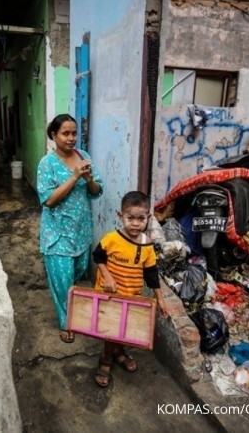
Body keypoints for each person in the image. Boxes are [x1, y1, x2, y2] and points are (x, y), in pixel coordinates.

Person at [37, 114, 103, 344]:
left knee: (77, 274)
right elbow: (48, 200)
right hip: (57, 234)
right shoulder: (47, 164)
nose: (71, 138)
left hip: (81, 232)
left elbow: (95, 191)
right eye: (66, 133)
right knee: (62, 281)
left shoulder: (83, 156)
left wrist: (89, 179)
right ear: (54, 135)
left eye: (74, 133)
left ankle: (72, 308)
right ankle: (67, 322)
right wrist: (75, 177)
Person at [92, 190, 168, 387]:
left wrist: (160, 299)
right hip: (109, 295)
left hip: (131, 295)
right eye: (130, 218)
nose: (135, 223)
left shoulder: (147, 245)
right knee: (111, 329)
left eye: (140, 218)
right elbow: (98, 256)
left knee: (124, 328)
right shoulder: (112, 239)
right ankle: (106, 360)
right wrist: (107, 276)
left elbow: (151, 273)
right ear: (120, 216)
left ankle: (118, 352)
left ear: (148, 218)